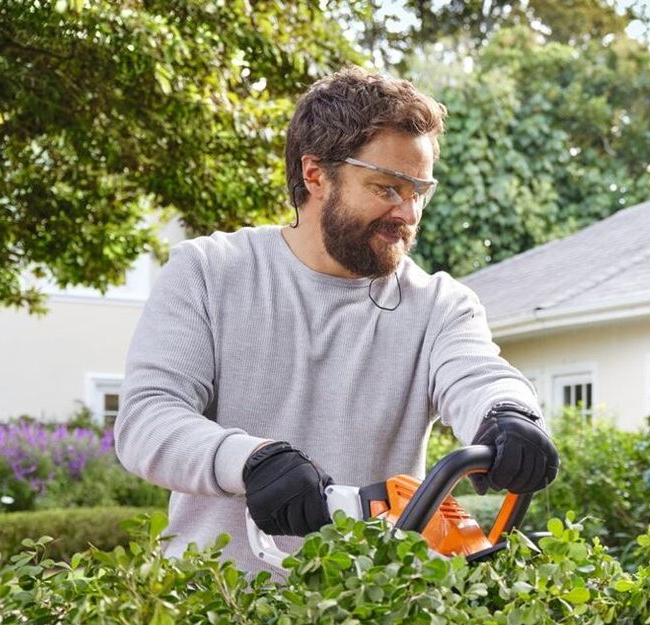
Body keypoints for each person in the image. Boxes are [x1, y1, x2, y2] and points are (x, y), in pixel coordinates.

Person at [115, 67, 558, 577]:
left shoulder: (438, 303)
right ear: (315, 175)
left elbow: (480, 374)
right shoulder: (210, 272)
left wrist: (510, 415)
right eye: (388, 188)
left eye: (420, 191)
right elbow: (147, 420)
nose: (408, 214)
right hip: (213, 618)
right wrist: (251, 461)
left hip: (369, 624)